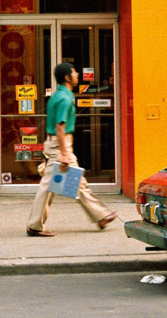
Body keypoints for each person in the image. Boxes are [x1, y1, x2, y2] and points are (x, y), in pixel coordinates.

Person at [26, 63, 117, 236]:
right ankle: (35, 226)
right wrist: (65, 153)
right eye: (74, 73)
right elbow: (60, 127)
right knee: (49, 187)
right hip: (60, 146)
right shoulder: (65, 99)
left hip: (57, 144)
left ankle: (101, 216)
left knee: (76, 183)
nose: (77, 75)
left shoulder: (58, 96)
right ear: (67, 78)